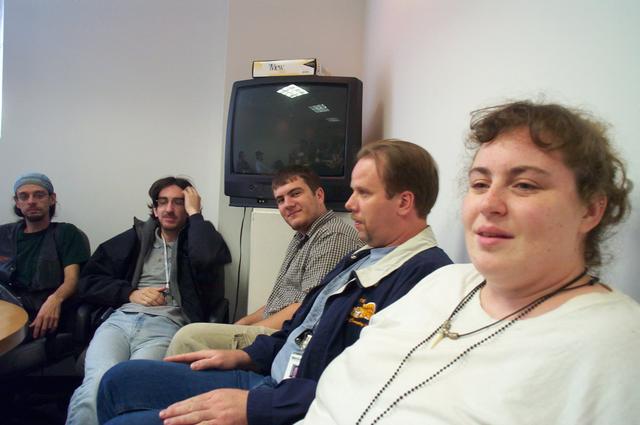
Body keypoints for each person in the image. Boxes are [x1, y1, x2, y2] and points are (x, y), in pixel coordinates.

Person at [299, 101, 640, 424]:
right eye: (480, 183)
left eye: (524, 185)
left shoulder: (617, 345)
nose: (489, 204)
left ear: (590, 209)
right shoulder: (442, 283)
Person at [97, 139, 453, 425]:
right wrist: (243, 355)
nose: (350, 203)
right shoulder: (364, 256)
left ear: (404, 202)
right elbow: (301, 325)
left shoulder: (426, 278)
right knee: (118, 380)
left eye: (363, 193)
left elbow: (371, 387)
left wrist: (257, 406)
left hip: (285, 402)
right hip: (270, 377)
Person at [66, 177, 231, 425]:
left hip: (166, 326)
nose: (169, 209)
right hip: (120, 321)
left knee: (133, 386)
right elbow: (88, 280)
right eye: (162, 202)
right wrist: (129, 293)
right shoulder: (135, 238)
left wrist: (196, 215)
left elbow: (208, 258)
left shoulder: (198, 239)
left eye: (178, 202)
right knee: (97, 382)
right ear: (154, 209)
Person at [166, 166, 362, 355]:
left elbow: (307, 309)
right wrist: (241, 324)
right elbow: (276, 304)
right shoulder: (303, 236)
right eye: (280, 200)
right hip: (277, 329)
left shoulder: (333, 236)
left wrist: (249, 332)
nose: (287, 204)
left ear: (319, 195)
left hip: (287, 337)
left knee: (187, 336)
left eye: (295, 194)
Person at [0, 173, 90, 343]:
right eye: (24, 196)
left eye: (39, 195)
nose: (31, 201)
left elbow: (72, 280)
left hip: (39, 314)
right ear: (17, 202)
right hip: (5, 312)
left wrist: (55, 299)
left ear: (52, 199)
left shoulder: (66, 233)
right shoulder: (3, 234)